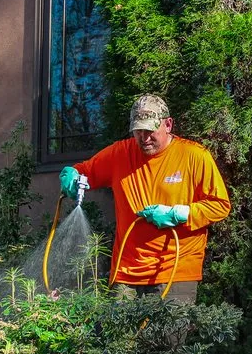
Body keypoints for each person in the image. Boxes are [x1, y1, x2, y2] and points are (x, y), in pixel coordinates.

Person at [59, 94, 230, 303]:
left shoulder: (194, 156)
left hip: (175, 270)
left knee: (167, 335)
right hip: (126, 271)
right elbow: (85, 172)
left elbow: (220, 205)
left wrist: (178, 214)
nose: (144, 137)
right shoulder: (120, 154)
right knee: (118, 335)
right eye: (138, 131)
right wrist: (72, 175)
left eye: (150, 131)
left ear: (168, 124)